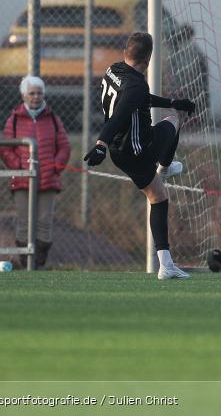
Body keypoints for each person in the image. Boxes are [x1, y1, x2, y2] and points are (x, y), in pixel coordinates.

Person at [83, 32, 195, 279]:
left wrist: (172, 100)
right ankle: (165, 167)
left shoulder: (114, 69)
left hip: (119, 153)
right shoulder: (136, 85)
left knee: (158, 196)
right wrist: (101, 142)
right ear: (149, 58)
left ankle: (166, 265)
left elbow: (137, 100)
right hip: (139, 150)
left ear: (126, 52)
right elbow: (120, 115)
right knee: (173, 120)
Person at [0, 75, 70, 269]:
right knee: (23, 221)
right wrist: (20, 167)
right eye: (32, 93)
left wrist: (56, 165)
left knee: (44, 222)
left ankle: (38, 263)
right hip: (22, 180)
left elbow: (64, 146)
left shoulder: (53, 119)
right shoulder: (14, 119)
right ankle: (24, 262)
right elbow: (5, 149)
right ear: (23, 95)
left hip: (48, 178)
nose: (36, 97)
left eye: (39, 93)